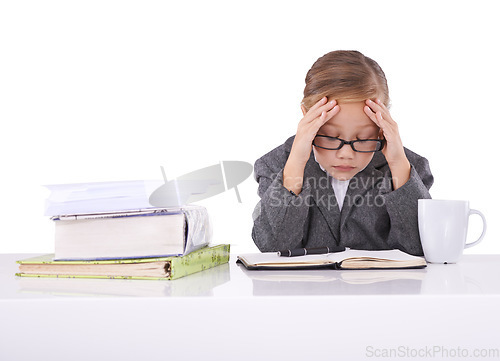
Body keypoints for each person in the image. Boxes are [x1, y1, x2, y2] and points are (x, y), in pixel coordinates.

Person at [252, 50, 433, 256]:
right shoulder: (276, 165)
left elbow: (422, 247)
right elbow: (271, 248)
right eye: (330, 137)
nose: (346, 153)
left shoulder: (408, 169)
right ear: (306, 117)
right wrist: (296, 164)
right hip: (303, 288)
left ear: (382, 125)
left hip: (381, 288)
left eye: (364, 138)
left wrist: (398, 163)